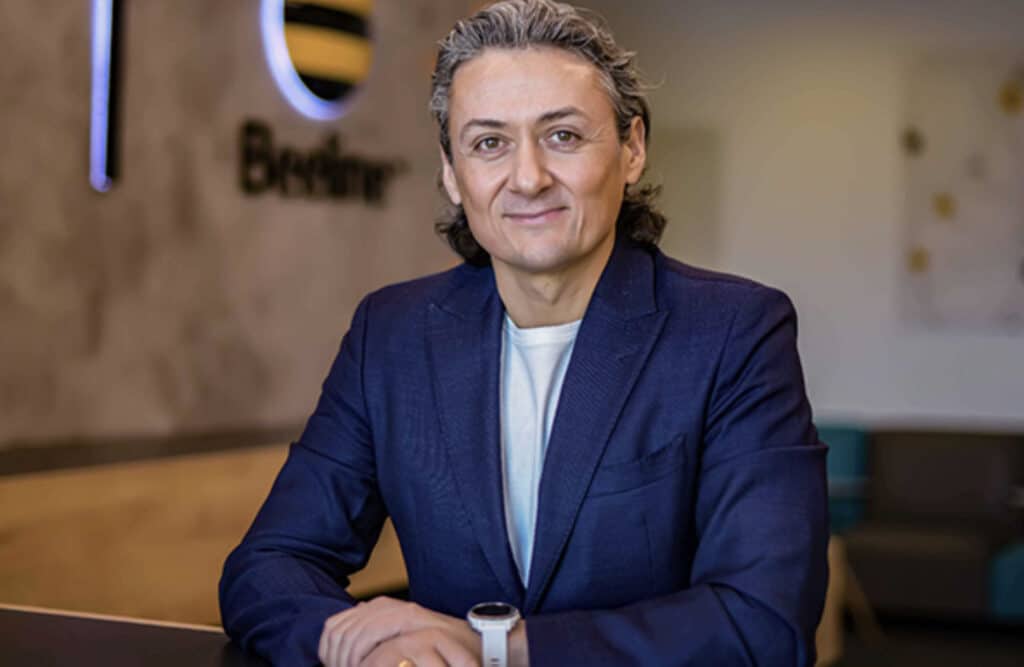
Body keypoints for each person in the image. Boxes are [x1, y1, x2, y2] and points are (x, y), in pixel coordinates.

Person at [219, 1, 829, 665]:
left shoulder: (734, 332)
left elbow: (763, 619)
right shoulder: (390, 336)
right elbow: (269, 564)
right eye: (489, 143)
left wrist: (498, 647)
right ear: (452, 173)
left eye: (563, 135)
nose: (529, 177)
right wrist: (354, 642)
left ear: (631, 149)